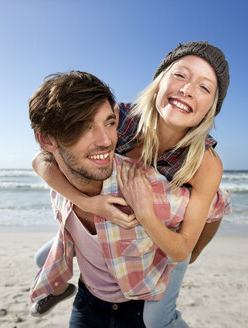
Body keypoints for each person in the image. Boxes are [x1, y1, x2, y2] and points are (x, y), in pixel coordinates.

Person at [28, 70, 230, 327]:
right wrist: (87, 202)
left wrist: (191, 250)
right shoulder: (123, 118)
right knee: (43, 258)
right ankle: (56, 289)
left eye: (205, 88)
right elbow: (40, 160)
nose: (187, 90)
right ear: (158, 84)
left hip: (176, 233)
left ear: (211, 107)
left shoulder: (202, 163)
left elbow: (215, 207)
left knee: (157, 319)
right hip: (111, 214)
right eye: (180, 75)